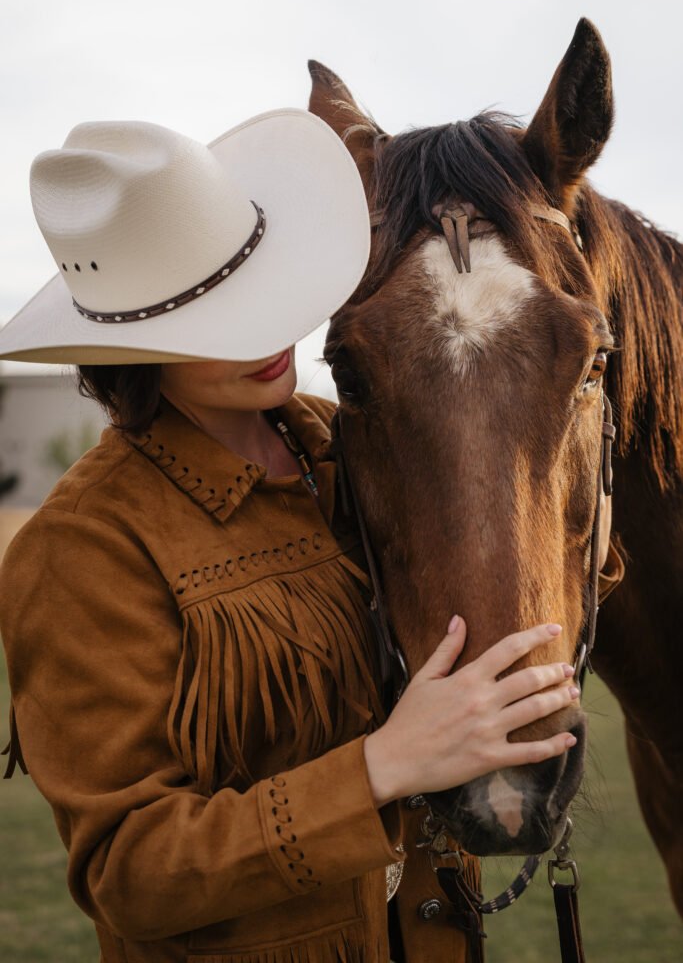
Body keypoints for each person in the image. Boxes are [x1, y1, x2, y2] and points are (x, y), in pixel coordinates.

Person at [0, 112, 579, 962]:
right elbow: (128, 872)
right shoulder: (82, 547)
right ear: (132, 347)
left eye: (262, 282)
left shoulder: (354, 444)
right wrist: (379, 768)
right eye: (219, 317)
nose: (271, 332)